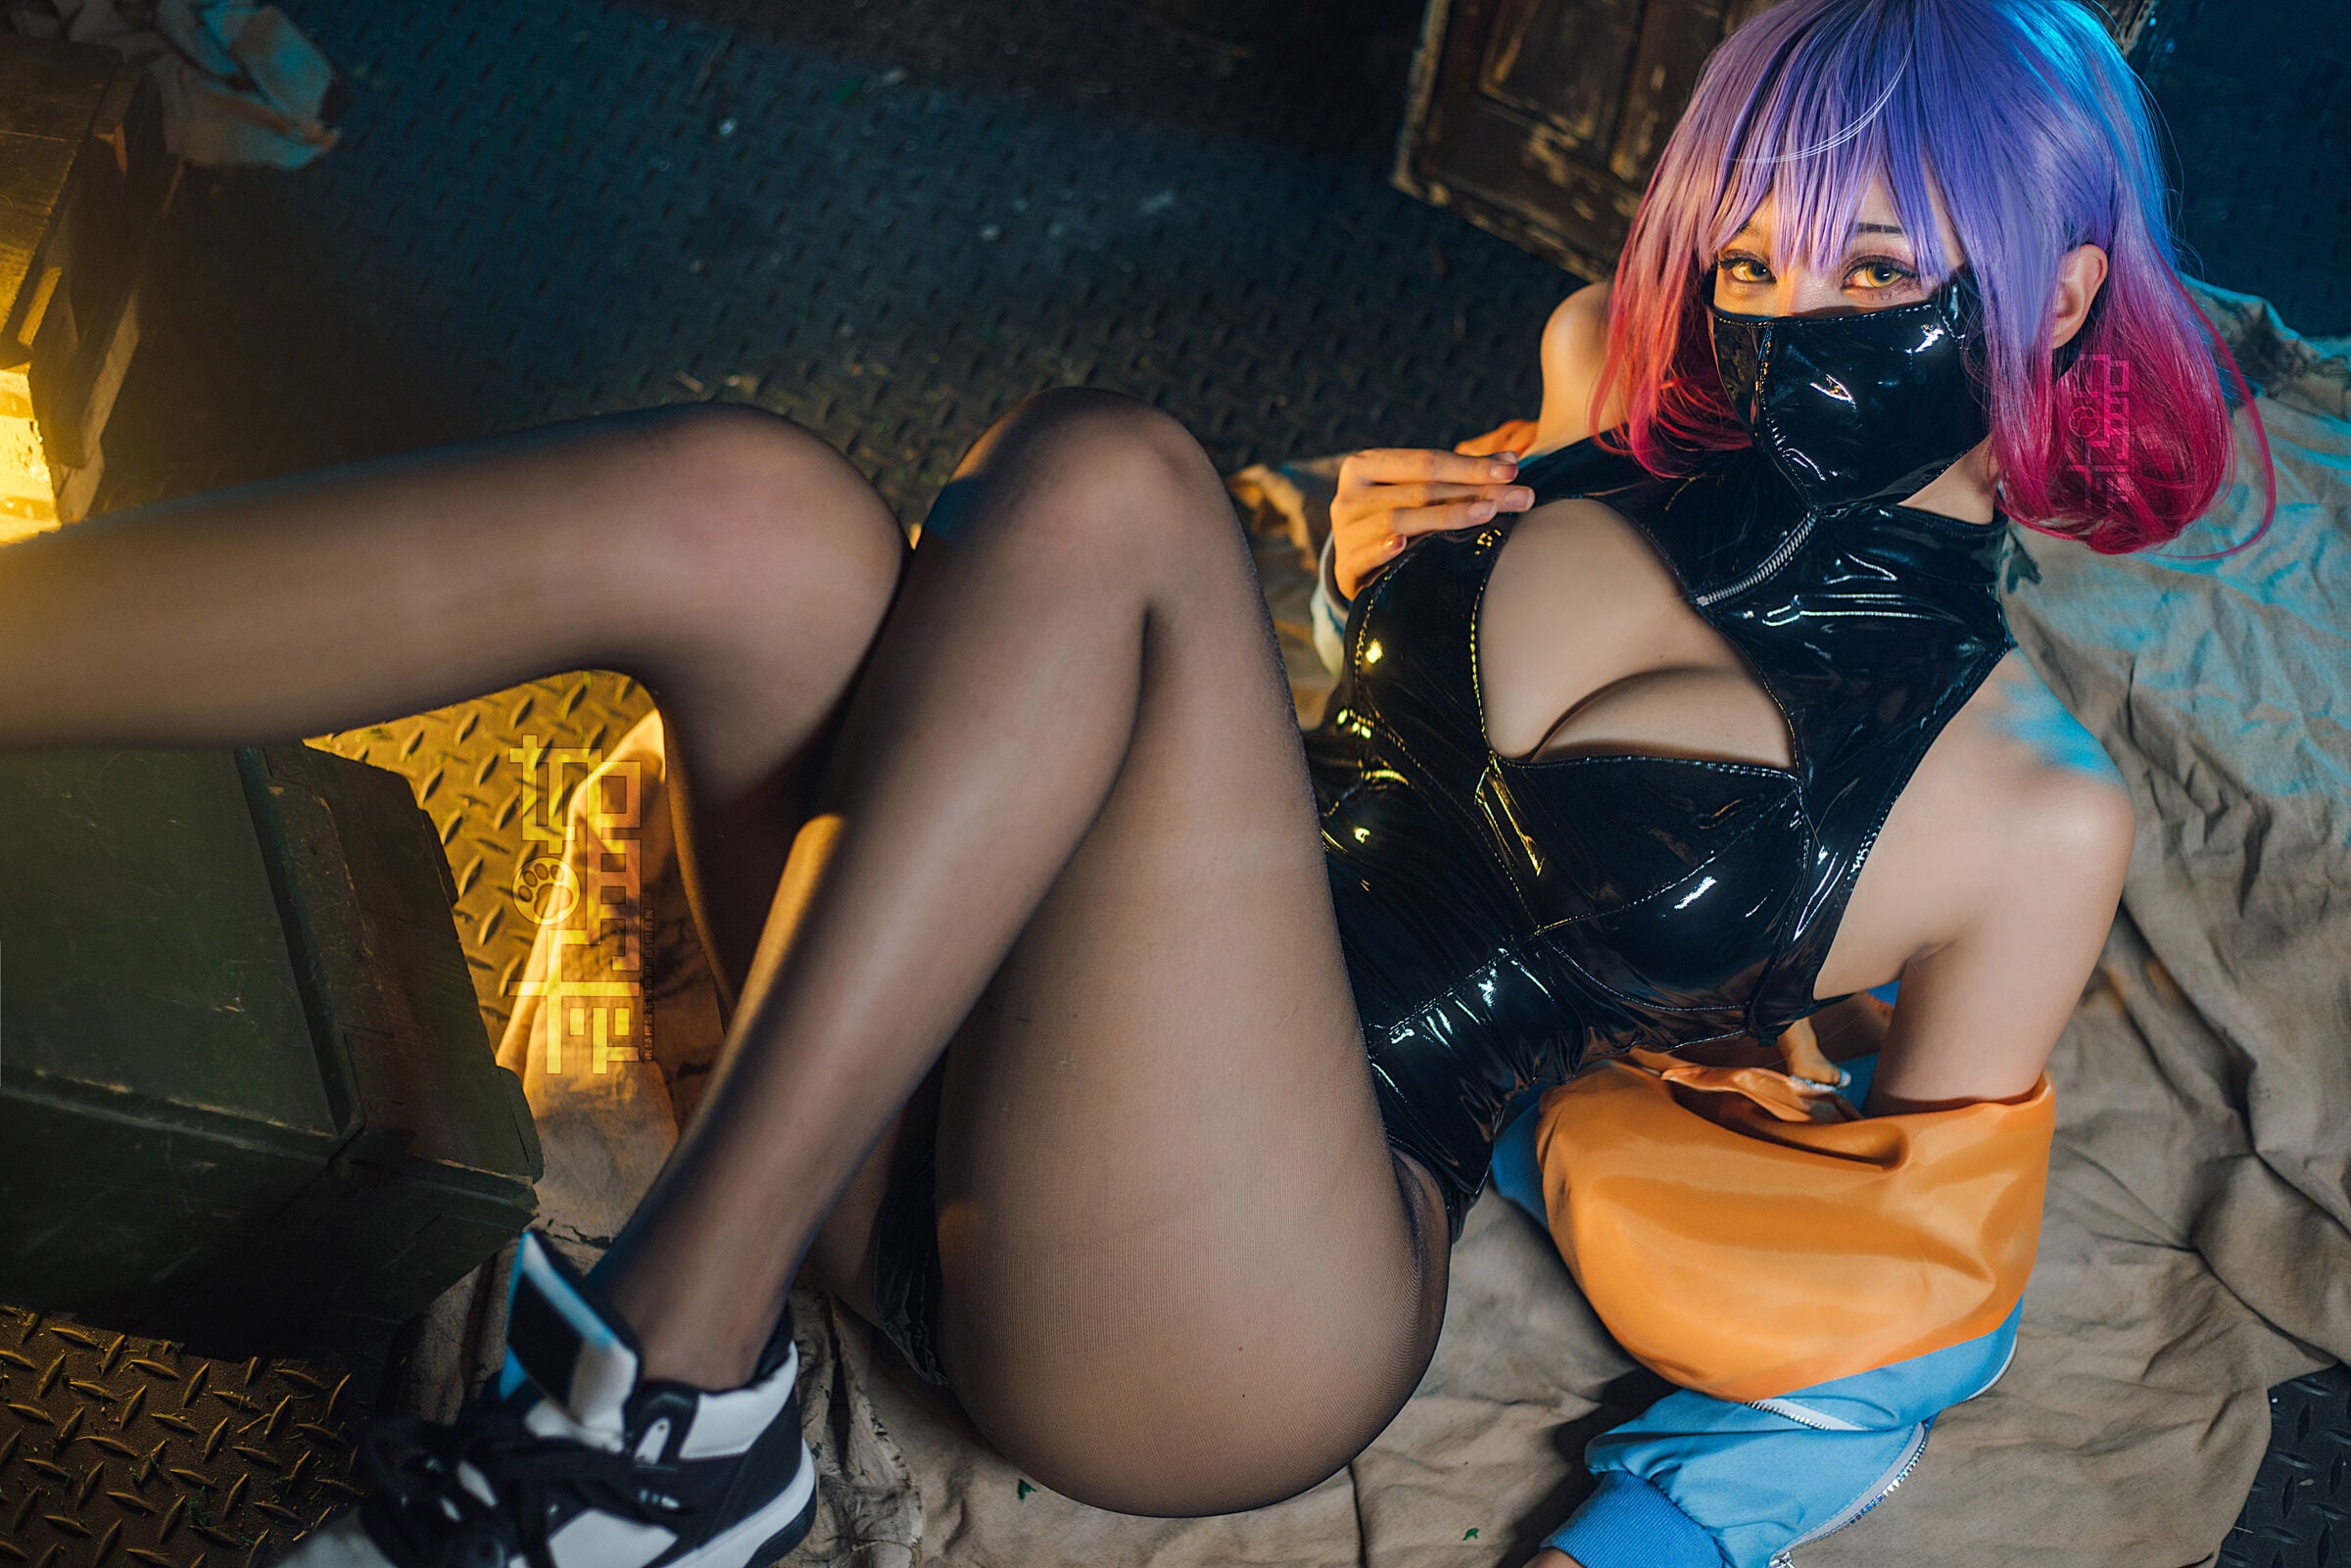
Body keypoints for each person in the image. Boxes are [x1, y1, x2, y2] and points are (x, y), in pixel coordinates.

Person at [0, 2, 2259, 1566]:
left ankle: (659, 1399)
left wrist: (1639, 1545)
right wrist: (1392, 570)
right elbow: (1382, 734)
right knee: (752, 511)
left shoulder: (2027, 813)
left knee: (1115, 480)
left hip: (1217, 1308)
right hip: (935, 1049)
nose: (1777, 316)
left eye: (1877, 264)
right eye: (1748, 248)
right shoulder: (1604, 384)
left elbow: (1888, 1337)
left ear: (2061, 287)